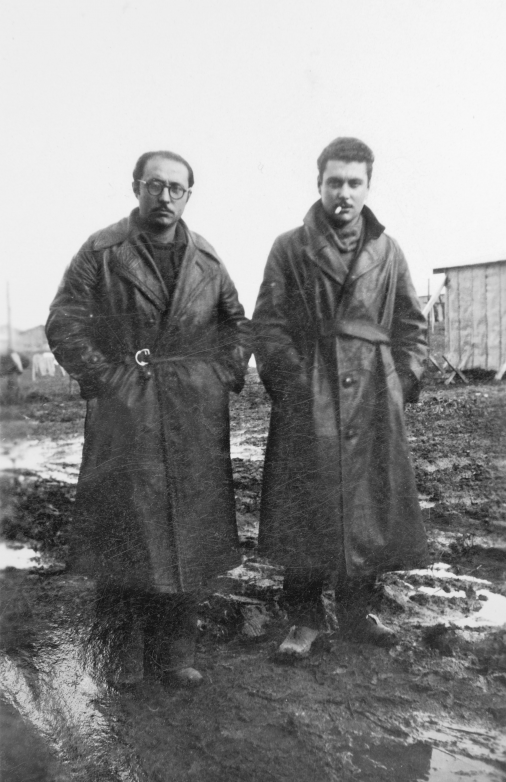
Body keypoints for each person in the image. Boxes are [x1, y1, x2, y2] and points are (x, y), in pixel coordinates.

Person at [46, 150, 251, 686]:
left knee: (188, 531)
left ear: (189, 194)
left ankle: (175, 654)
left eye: (176, 188)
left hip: (191, 413)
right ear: (136, 186)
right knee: (125, 532)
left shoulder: (205, 257)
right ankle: (120, 658)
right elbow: (64, 321)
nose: (165, 197)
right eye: (155, 185)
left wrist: (219, 374)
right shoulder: (103, 250)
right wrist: (105, 380)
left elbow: (236, 324)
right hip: (126, 409)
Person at [252, 137, 427, 657]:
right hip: (313, 392)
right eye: (335, 182)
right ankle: (303, 620)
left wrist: (403, 381)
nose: (343, 193)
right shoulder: (290, 246)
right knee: (306, 505)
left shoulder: (388, 251)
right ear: (319, 185)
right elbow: (269, 325)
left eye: (354, 183)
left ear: (368, 186)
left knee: (369, 505)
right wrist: (293, 385)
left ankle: (357, 613)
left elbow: (411, 324)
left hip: (374, 394)